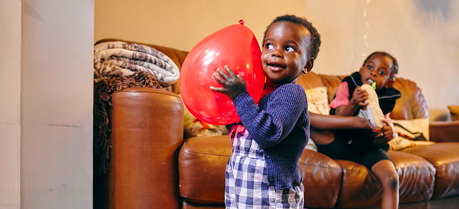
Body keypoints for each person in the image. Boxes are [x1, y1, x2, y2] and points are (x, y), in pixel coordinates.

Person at [210, 14, 320, 208]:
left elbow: (268, 133)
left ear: (307, 65)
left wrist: (239, 97)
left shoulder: (291, 93)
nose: (276, 53)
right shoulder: (252, 91)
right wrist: (229, 101)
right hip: (240, 183)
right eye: (269, 45)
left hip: (272, 193)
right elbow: (241, 131)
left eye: (289, 48)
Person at [311, 51, 401, 209]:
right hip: (340, 143)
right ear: (361, 70)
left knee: (391, 179)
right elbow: (338, 117)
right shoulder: (348, 84)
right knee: (312, 127)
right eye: (370, 67)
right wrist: (353, 102)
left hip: (367, 148)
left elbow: (377, 139)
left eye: (382, 72)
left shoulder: (388, 99)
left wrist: (387, 136)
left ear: (389, 82)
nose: (373, 73)